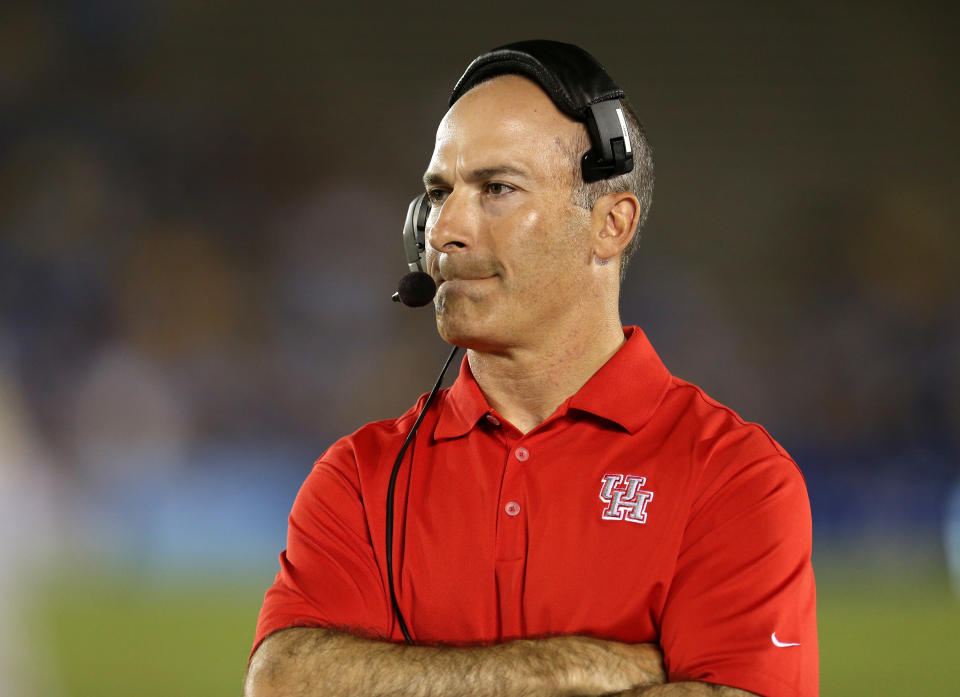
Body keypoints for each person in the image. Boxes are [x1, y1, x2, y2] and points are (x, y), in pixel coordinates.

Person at [244, 41, 818, 697]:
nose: (444, 230)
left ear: (610, 224)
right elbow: (286, 682)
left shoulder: (736, 475)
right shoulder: (358, 476)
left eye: (497, 189)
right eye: (438, 192)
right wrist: (575, 670)